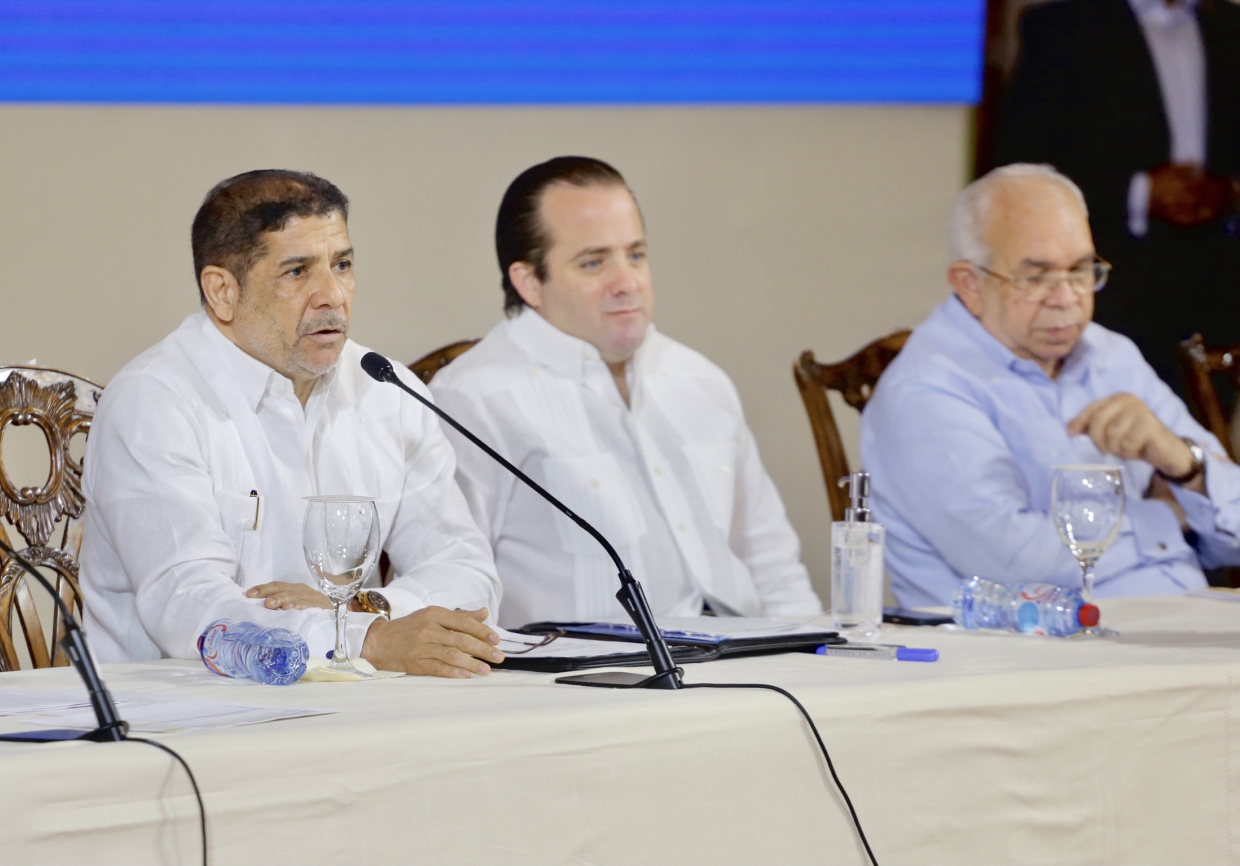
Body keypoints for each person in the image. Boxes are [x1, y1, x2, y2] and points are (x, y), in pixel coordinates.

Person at [81, 169, 504, 678]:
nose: (333, 295)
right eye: (297, 272)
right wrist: (362, 640)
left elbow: (468, 571)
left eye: (342, 265)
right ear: (222, 291)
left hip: (361, 703)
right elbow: (190, 608)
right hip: (180, 709)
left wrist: (364, 610)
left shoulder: (386, 390)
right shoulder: (155, 401)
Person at [429, 156, 822, 627]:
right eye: (594, 262)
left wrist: (818, 657)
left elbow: (773, 565)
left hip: (752, 654)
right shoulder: (474, 400)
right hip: (589, 667)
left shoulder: (701, 381)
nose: (628, 283)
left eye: (635, 255)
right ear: (530, 282)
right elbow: (454, 593)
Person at [861, 163, 1240, 609]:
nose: (1067, 299)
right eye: (1036, 277)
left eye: (1081, 270)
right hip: (1030, 643)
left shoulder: (1111, 354)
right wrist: (1170, 518)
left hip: (1181, 622)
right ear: (970, 284)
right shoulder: (925, 387)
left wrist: (1185, 467)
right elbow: (1017, 565)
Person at [995, 0, 1240, 399]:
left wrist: (1228, 191)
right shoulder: (1066, 26)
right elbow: (1021, 170)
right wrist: (1140, 192)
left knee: (1204, 432)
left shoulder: (1228, 26)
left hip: (1216, 296)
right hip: (1110, 288)